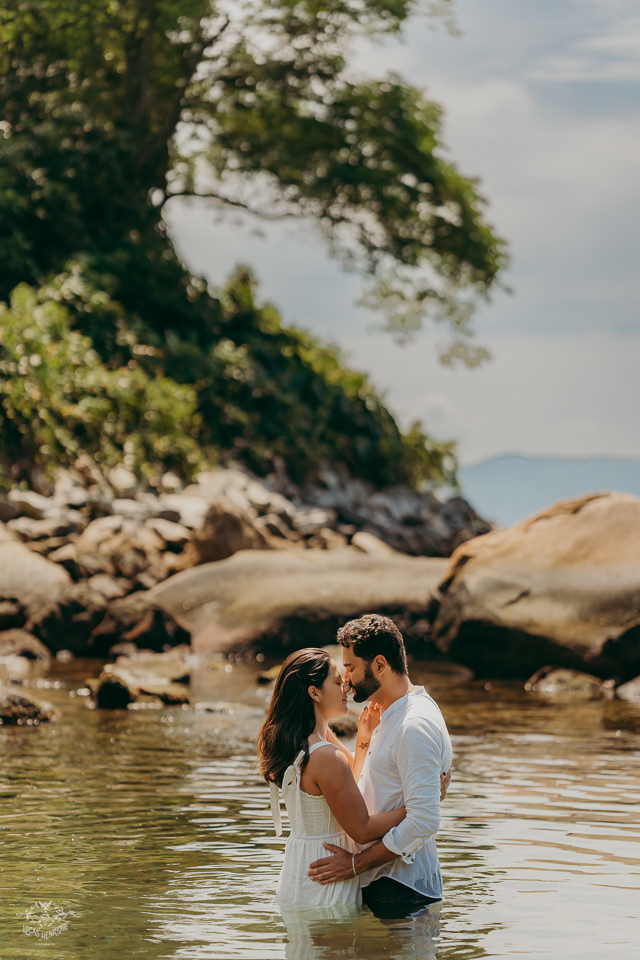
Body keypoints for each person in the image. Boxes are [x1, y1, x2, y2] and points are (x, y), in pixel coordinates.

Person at [308, 614, 453, 918]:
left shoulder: (413, 725)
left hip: (400, 891)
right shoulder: (390, 714)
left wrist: (354, 865)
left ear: (379, 665)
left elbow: (424, 820)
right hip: (384, 885)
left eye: (351, 668)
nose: (346, 679)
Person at [257, 647, 408, 907]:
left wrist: (363, 738)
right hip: (327, 880)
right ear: (314, 693)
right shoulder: (326, 756)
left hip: (299, 873)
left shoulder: (299, 740)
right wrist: (419, 806)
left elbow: (349, 783)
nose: (346, 687)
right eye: (338, 682)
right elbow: (363, 830)